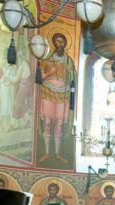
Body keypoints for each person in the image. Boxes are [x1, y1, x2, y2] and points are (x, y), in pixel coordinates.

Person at [38, 33, 76, 165]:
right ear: (54, 43)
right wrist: (52, 71)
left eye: (63, 42)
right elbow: (41, 77)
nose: (60, 44)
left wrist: (70, 72)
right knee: (48, 122)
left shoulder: (69, 60)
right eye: (58, 41)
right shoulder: (47, 58)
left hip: (63, 93)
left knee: (59, 123)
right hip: (48, 91)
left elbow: (73, 78)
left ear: (65, 44)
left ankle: (58, 154)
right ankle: (47, 152)